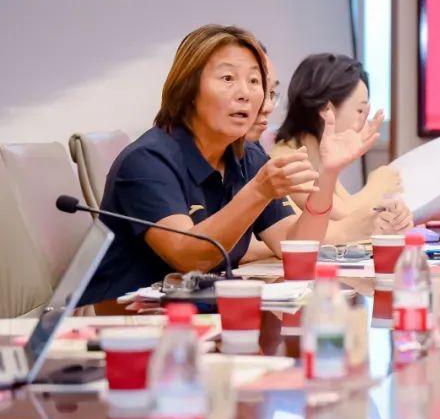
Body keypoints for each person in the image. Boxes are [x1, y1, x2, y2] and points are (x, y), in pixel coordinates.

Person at [80, 25, 379, 305]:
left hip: (206, 316)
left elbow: (295, 246)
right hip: (131, 329)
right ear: (188, 90)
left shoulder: (247, 156)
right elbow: (189, 257)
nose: (245, 93)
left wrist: (328, 174)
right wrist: (259, 191)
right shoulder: (147, 161)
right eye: (228, 79)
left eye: (254, 81)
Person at [271, 53, 417, 239]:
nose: (365, 121)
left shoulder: (316, 158)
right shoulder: (288, 161)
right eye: (360, 110)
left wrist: (396, 217)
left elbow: (354, 217)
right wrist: (377, 185)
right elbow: (348, 216)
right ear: (326, 110)